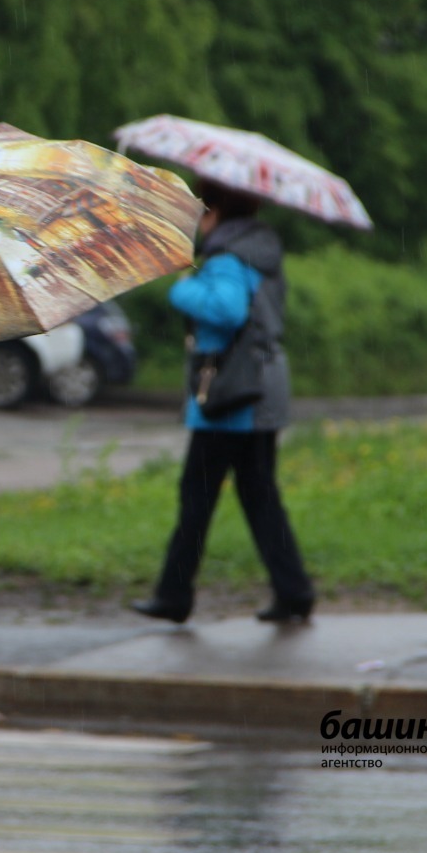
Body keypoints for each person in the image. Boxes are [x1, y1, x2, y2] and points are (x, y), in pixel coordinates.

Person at [132, 181, 314, 625]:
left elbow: (228, 310)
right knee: (259, 497)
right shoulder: (259, 251)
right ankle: (294, 593)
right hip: (257, 389)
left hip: (231, 398)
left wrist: (182, 289)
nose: (197, 222)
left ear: (216, 214)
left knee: (197, 499)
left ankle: (174, 596)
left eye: (201, 212)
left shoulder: (229, 258)